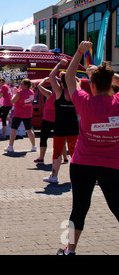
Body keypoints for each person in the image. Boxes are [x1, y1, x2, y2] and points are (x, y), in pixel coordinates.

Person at [56, 41, 119, 255]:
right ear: (112, 85)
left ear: (91, 86)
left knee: (78, 210)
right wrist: (104, 74)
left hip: (82, 164)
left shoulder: (84, 102)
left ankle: (69, 250)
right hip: (113, 166)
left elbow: (68, 78)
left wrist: (79, 53)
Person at [43, 61, 79, 184]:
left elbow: (51, 76)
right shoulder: (76, 93)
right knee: (75, 152)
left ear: (61, 82)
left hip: (60, 126)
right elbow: (76, 81)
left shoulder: (59, 92)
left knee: (57, 151)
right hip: (73, 127)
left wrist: (59, 65)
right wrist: (73, 78)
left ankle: (54, 176)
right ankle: (77, 178)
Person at [34, 78, 69, 164]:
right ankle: (65, 158)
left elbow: (39, 86)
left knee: (43, 138)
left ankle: (41, 158)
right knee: (61, 139)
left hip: (47, 120)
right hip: (59, 119)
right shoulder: (64, 95)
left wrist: (45, 79)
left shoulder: (50, 94)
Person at [4, 78, 36, 153]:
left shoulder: (20, 93)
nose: (20, 85)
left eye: (22, 84)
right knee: (29, 130)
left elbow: (13, 101)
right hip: (28, 113)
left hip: (18, 114)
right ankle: (34, 146)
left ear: (25, 85)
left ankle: (10, 146)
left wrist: (15, 93)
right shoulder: (32, 92)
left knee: (13, 129)